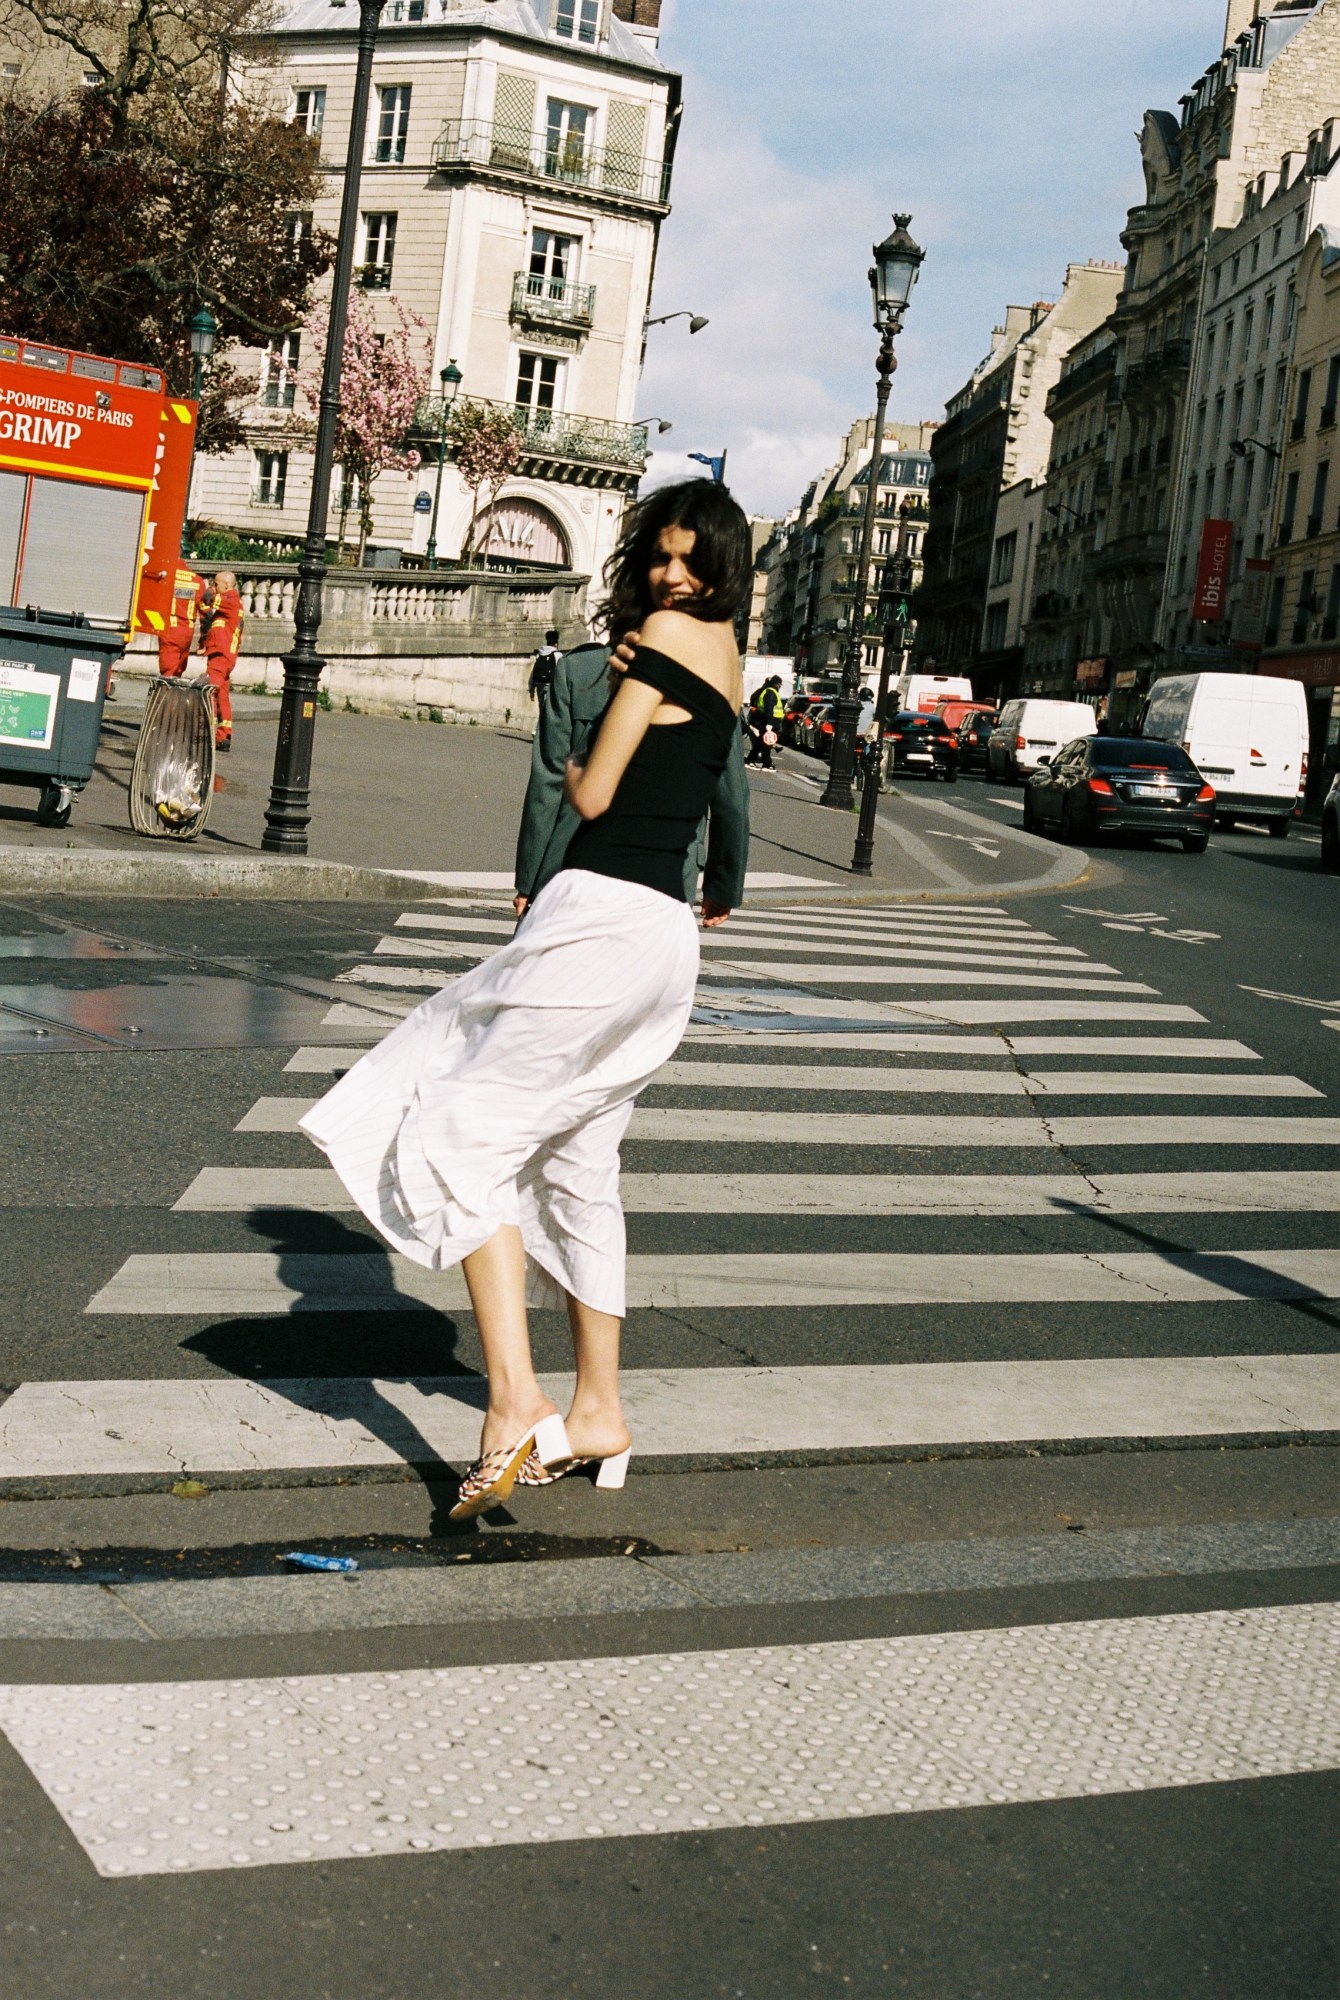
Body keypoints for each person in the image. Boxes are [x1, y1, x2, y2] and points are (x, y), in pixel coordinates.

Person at [299, 480, 752, 1521]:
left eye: (688, 559)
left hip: (597, 914)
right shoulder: (725, 648)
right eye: (661, 557)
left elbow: (591, 795)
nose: (671, 574)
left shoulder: (662, 632)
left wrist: (591, 734)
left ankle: (514, 1403)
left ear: (714, 565)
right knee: (581, 1167)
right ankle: (598, 1410)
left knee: (460, 1128)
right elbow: (712, 785)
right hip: (663, 936)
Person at [515, 624, 748, 927]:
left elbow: (548, 781)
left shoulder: (578, 669)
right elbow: (731, 798)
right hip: (667, 873)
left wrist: (529, 879)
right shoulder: (711, 681)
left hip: (571, 861)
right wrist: (722, 885)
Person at [202, 569, 245, 751]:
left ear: (226, 585)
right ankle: (224, 735)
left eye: (216, 583)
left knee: (209, 692)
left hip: (221, 656)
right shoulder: (229, 604)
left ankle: (208, 732)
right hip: (223, 655)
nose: (214, 586)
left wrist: (206, 592)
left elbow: (211, 600)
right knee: (222, 696)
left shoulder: (230, 599)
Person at [157, 565, 209, 678]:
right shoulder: (198, 580)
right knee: (179, 669)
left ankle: (167, 694)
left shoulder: (166, 575)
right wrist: (203, 641)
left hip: (170, 630)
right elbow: (206, 614)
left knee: (168, 670)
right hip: (187, 633)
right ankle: (175, 694)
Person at [528, 628, 563, 708]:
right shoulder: (558, 655)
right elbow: (561, 674)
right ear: (556, 643)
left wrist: (531, 690)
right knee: (550, 710)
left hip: (539, 684)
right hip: (551, 686)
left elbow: (533, 674)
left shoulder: (539, 654)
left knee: (541, 709)